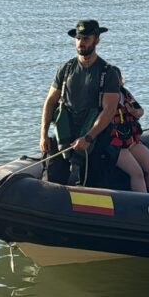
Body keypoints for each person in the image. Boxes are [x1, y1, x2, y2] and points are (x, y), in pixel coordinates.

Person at [39, 19, 122, 187]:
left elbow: (109, 110)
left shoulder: (108, 72)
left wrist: (88, 137)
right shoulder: (66, 68)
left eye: (86, 38)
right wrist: (44, 134)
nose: (81, 43)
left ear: (97, 40)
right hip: (65, 132)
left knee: (93, 183)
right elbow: (50, 101)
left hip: (94, 136)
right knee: (52, 178)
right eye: (78, 38)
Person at [109, 77, 149, 193]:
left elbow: (140, 111)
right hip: (115, 144)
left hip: (130, 140)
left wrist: (134, 112)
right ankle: (143, 204)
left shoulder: (125, 93)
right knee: (137, 173)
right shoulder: (105, 98)